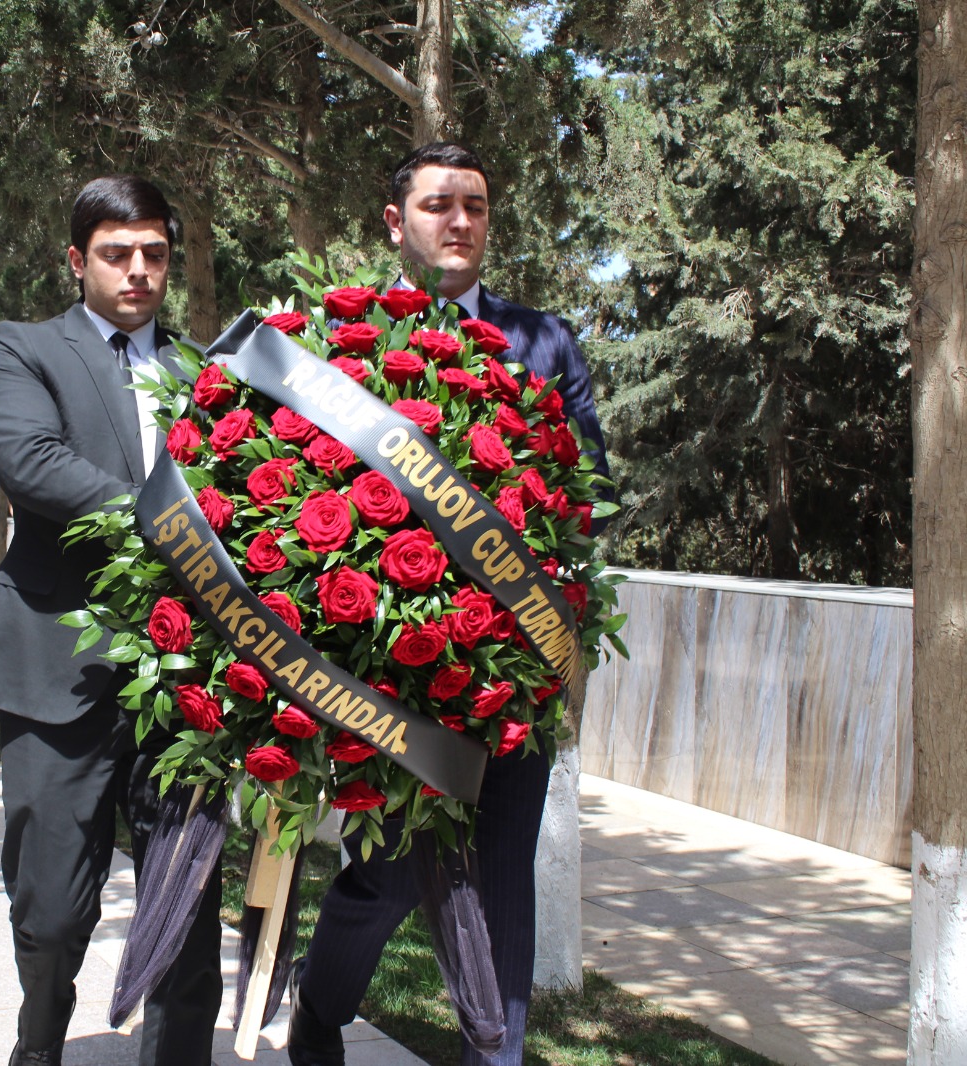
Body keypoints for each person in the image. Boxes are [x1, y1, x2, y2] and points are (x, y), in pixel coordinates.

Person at [284, 142, 612, 1066]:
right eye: (437, 205)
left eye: (473, 203)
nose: (458, 220)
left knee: (502, 881)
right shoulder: (337, 344)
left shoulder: (544, 340)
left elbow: (589, 486)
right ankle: (321, 1003)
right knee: (385, 880)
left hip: (510, 678)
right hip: (390, 682)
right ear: (397, 222)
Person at [0, 175, 222, 1066]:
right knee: (54, 903)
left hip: (186, 682)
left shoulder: (207, 373)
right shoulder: (20, 349)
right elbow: (33, 466)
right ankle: (38, 1048)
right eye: (116, 254)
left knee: (185, 908)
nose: (138, 271)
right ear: (78, 261)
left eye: (154, 253)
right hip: (56, 672)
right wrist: (178, 522)